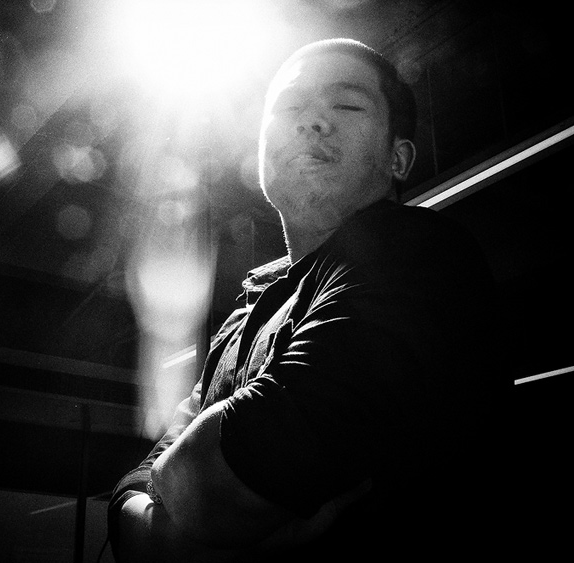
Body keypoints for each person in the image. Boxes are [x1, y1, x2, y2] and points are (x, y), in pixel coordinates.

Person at [107, 38, 506, 561]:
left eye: (346, 105)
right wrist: (162, 531)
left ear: (398, 157)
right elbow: (138, 481)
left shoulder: (418, 253)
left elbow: (218, 489)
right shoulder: (247, 309)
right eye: (289, 106)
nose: (312, 121)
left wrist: (165, 518)